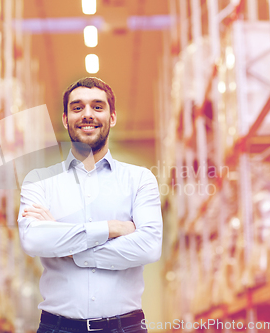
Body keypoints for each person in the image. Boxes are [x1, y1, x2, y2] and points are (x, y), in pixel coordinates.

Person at [18, 77, 163, 333]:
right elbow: (33, 241)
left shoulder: (140, 179)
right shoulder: (39, 181)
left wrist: (67, 245)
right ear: (65, 119)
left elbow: (149, 247)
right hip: (57, 327)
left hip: (125, 327)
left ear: (112, 117)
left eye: (97, 107)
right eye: (77, 107)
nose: (87, 114)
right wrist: (112, 228)